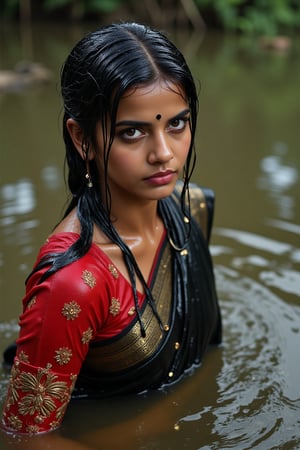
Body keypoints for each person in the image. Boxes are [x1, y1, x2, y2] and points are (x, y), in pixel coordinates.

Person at [1, 22, 221, 435]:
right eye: (133, 132)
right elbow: (26, 439)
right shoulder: (74, 282)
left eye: (177, 124)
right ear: (82, 138)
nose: (163, 154)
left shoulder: (191, 209)